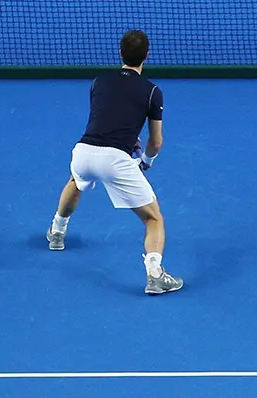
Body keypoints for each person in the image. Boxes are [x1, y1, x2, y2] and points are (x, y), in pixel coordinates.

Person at [46, 29, 183, 295]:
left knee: (77, 180)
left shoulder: (99, 81)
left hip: (84, 152)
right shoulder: (153, 91)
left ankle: (57, 233)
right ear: (147, 56)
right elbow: (156, 142)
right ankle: (155, 274)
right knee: (154, 219)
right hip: (115, 160)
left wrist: (126, 137)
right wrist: (145, 162)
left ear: (120, 52)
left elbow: (106, 116)